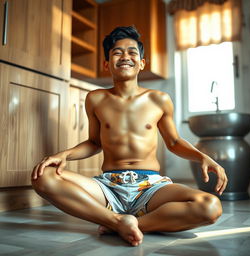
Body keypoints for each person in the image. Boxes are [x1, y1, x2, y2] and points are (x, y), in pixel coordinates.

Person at [31, 26, 228, 247]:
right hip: (107, 187)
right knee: (42, 176)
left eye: (132, 52)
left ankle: (128, 223)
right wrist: (63, 155)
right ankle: (116, 220)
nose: (125, 56)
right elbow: (94, 143)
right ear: (107, 64)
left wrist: (202, 157)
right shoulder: (95, 99)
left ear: (142, 63)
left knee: (210, 206)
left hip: (151, 187)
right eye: (117, 52)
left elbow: (173, 142)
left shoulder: (159, 99)